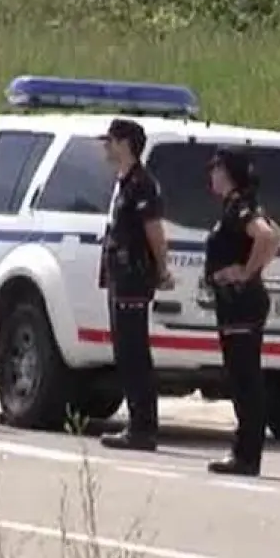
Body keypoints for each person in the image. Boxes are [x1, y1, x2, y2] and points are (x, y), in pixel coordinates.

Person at [203, 148, 280, 477]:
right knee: (241, 377)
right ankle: (246, 452)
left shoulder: (239, 205)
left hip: (240, 302)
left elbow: (267, 236)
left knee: (244, 379)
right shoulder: (240, 204)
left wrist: (247, 272)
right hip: (236, 302)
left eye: (215, 168)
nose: (211, 174)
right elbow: (277, 235)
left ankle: (246, 454)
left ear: (228, 172)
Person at [98, 118, 171, 451]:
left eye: (110, 141)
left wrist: (162, 269)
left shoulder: (141, 184)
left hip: (134, 276)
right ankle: (137, 423)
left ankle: (143, 427)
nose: (106, 146)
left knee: (134, 353)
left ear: (126, 144)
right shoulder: (123, 182)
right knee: (125, 353)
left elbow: (154, 231)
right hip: (120, 276)